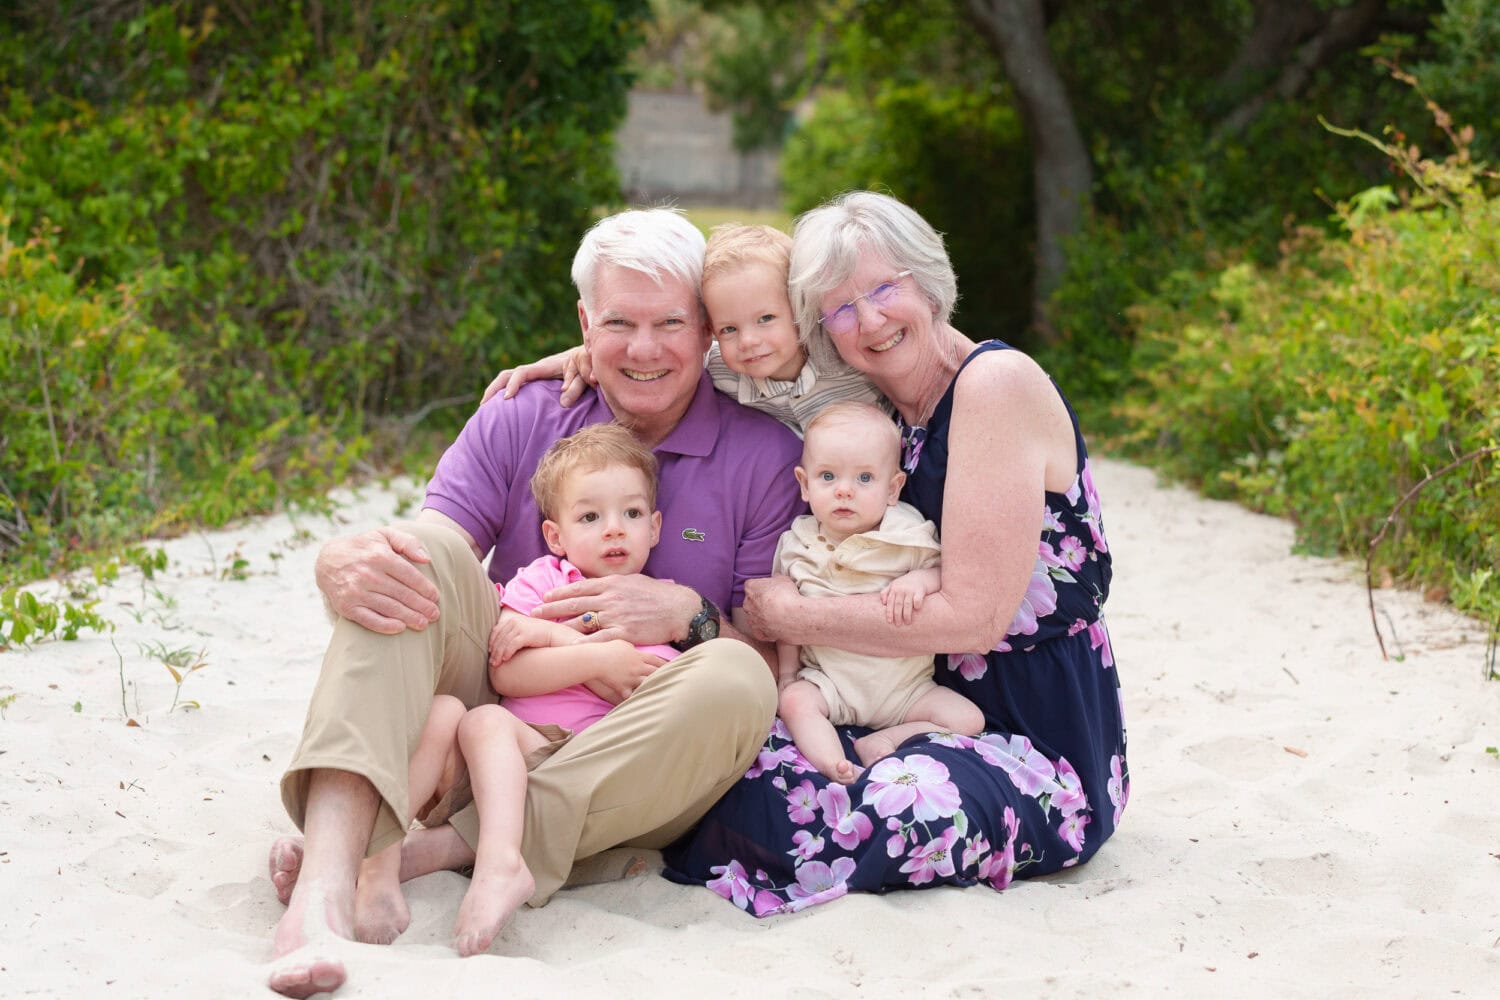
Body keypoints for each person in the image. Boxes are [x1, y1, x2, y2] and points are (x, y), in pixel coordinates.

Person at [265, 207, 804, 998]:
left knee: (738, 678)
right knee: (419, 556)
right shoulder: (524, 411)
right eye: (619, 323)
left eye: (670, 323)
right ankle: (323, 891)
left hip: (632, 748)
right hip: (502, 706)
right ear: (586, 324)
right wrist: (337, 559)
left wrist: (686, 615)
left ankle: (433, 848)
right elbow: (429, 557)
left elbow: (765, 655)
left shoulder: (765, 454)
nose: (645, 349)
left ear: (707, 332)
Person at [659, 191, 1129, 917]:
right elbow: (730, 351)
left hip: (1029, 735)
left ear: (928, 281)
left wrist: (800, 616)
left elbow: (971, 620)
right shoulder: (877, 407)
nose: (870, 319)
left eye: (885, 288)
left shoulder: (993, 385)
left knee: (824, 823)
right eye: (842, 307)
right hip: (885, 689)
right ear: (820, 329)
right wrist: (585, 353)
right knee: (722, 770)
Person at [358, 423, 679, 958]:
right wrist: (592, 652)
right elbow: (508, 674)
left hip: (570, 769)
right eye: (590, 517)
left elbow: (638, 684)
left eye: (632, 514)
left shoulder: (654, 603)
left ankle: (500, 863)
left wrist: (553, 636)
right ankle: (377, 861)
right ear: (556, 535)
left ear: (656, 526)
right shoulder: (538, 583)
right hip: (492, 769)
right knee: (443, 712)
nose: (614, 530)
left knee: (484, 720)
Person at [485, 222, 887, 435]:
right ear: (711, 330)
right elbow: (652, 350)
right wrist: (582, 352)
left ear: (799, 310)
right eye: (729, 328)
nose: (749, 341)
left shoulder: (841, 352)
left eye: (766, 319)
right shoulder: (720, 367)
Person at [775, 401, 982, 784]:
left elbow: (945, 575)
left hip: (904, 690)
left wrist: (919, 581)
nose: (844, 491)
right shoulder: (797, 543)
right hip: (831, 683)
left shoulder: (908, 534)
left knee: (968, 719)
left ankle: (886, 739)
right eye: (827, 477)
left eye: (864, 479)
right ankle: (834, 765)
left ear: (893, 488)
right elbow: (787, 618)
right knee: (794, 701)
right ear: (804, 484)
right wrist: (788, 673)